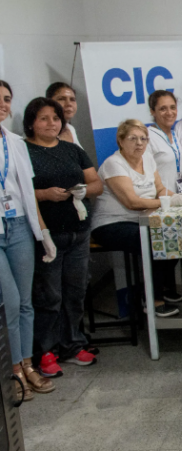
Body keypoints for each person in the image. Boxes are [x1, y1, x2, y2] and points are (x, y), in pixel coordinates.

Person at [24, 97, 103, 379]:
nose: (51, 123)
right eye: (44, 118)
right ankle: (45, 351)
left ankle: (72, 344)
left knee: (75, 291)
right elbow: (17, 190)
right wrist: (44, 195)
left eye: (55, 118)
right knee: (48, 295)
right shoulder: (24, 151)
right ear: (31, 122)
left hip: (78, 233)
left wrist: (84, 190)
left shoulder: (71, 150)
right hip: (47, 235)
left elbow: (97, 184)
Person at [90, 120, 182, 318]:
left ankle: (155, 288)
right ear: (120, 141)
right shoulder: (114, 164)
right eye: (133, 139)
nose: (139, 143)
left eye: (143, 139)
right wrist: (170, 202)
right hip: (111, 223)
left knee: (178, 237)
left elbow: (159, 189)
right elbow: (132, 202)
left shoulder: (147, 158)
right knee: (155, 241)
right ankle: (152, 300)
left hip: (140, 220)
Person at [0, 81, 57, 401]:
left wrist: (43, 233)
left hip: (19, 225)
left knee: (24, 301)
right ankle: (12, 372)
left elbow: (26, 190)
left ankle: (26, 365)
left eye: (7, 99)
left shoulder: (15, 143)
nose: (3, 105)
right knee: (7, 302)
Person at [146, 90, 182, 193]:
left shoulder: (175, 134)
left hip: (175, 197)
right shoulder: (147, 137)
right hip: (159, 199)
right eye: (163, 109)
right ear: (152, 111)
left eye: (173, 107)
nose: (169, 113)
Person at [46, 82, 81, 147]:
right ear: (49, 102)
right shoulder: (44, 132)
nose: (69, 104)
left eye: (72, 99)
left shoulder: (70, 129)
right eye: (61, 99)